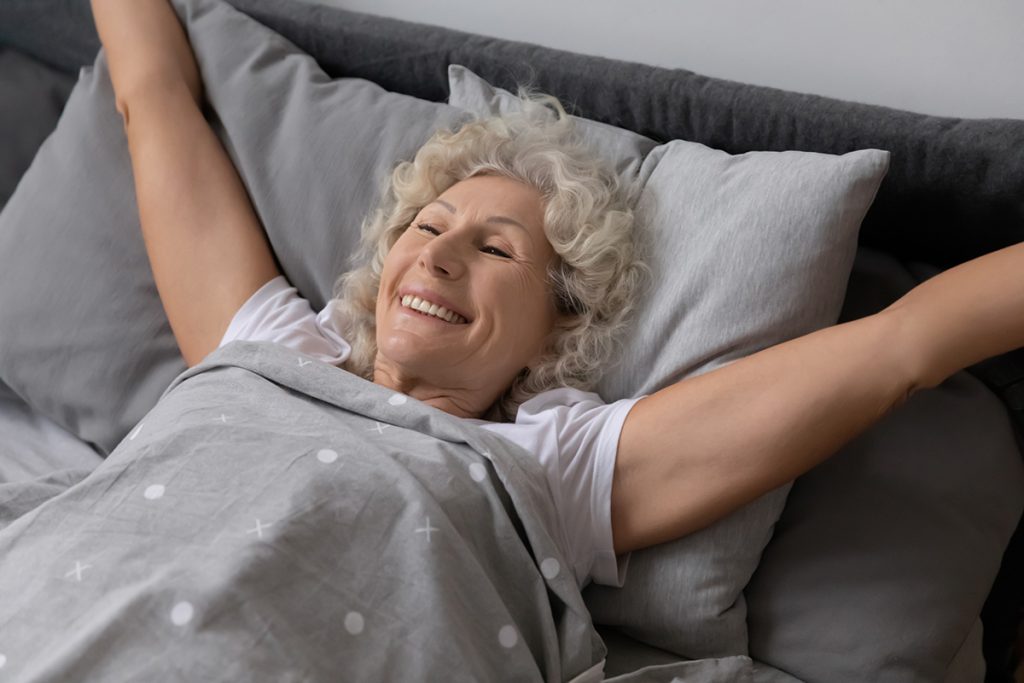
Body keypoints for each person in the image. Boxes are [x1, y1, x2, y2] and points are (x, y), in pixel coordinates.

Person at [92, 0, 1024, 589]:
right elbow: (152, 100)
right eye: (425, 229)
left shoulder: (552, 464)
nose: (439, 254)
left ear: (558, 321)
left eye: (495, 247)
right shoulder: (271, 350)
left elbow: (902, 346)